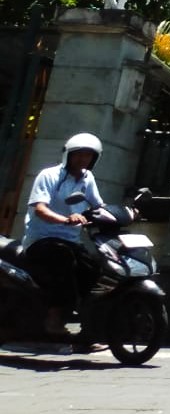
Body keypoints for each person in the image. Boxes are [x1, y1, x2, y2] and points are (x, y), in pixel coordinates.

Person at [22, 132, 106, 340]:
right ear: (68, 155)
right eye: (78, 155)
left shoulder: (88, 178)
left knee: (94, 268)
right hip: (41, 240)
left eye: (88, 156)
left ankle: (87, 331)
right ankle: (54, 319)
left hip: (71, 241)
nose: (82, 159)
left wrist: (125, 212)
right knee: (63, 259)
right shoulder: (49, 175)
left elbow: (98, 206)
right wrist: (65, 220)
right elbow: (40, 208)